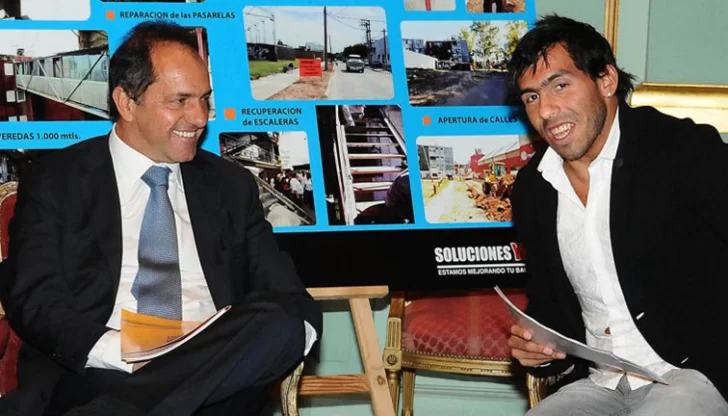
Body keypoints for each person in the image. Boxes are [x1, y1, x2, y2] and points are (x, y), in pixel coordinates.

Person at [0, 20, 321, 416]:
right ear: (126, 102)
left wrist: (194, 360)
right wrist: (123, 353)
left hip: (216, 374)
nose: (199, 117)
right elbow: (34, 299)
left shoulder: (230, 186)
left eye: (204, 99)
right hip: (104, 369)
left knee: (285, 321)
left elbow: (292, 299)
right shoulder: (57, 180)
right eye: (180, 101)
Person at [505, 14, 728, 415]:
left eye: (560, 85)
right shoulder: (534, 187)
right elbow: (551, 308)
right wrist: (538, 349)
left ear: (606, 80)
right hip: (600, 381)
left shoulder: (683, 151)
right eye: (531, 97)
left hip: (693, 374)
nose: (547, 111)